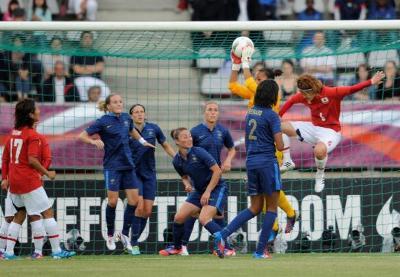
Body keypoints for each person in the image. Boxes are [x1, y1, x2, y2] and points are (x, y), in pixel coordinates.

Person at [229, 46, 298, 234]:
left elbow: (250, 81)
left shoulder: (274, 93)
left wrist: (244, 62)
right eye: (256, 78)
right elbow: (233, 86)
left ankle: (276, 228)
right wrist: (236, 66)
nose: (256, 80)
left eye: (260, 78)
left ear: (268, 81)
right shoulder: (255, 94)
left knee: (270, 190)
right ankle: (284, 220)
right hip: (256, 145)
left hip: (269, 144)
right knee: (268, 190)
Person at [279, 72, 385, 192]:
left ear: (312, 89)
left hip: (331, 132)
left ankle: (320, 174)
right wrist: (279, 115)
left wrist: (370, 82)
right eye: (302, 93)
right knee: (278, 126)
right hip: (313, 128)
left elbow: (352, 89)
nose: (303, 96)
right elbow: (290, 101)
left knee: (319, 151)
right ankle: (287, 161)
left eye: (305, 93)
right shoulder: (303, 96)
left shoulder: (331, 92)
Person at [214, 79, 284, 259]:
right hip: (268, 162)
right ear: (273, 95)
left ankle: (222, 234)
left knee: (254, 207)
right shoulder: (272, 115)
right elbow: (280, 145)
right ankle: (260, 251)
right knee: (271, 209)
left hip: (251, 162)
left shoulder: (251, 112)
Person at [1, 99, 75, 259]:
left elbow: (5, 158)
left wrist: (4, 177)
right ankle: (57, 252)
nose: (39, 111)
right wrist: (47, 173)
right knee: (47, 212)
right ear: (30, 114)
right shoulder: (32, 135)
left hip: (14, 181)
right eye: (36, 109)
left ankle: (8, 252)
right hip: (28, 180)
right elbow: (32, 160)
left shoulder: (14, 133)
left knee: (19, 215)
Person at [78, 94, 154, 251]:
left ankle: (124, 234)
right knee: (112, 202)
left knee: (134, 201)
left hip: (129, 166)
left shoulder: (126, 118)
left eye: (120, 101)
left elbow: (132, 131)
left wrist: (142, 141)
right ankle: (111, 235)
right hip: (112, 166)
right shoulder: (103, 121)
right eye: (115, 102)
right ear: (108, 106)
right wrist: (94, 141)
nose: (119, 104)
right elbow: (82, 135)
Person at [159, 128, 227, 256]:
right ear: (177, 141)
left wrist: (207, 192)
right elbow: (184, 176)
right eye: (184, 137)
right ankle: (178, 248)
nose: (189, 139)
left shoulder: (199, 152)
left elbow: (217, 171)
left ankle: (227, 247)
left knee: (204, 218)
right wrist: (187, 184)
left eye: (189, 136)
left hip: (216, 188)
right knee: (178, 218)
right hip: (199, 191)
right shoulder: (177, 161)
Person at [119, 104, 175, 255]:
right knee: (139, 205)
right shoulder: (127, 130)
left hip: (149, 173)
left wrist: (177, 158)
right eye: (136, 112)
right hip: (133, 173)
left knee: (147, 211)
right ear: (131, 116)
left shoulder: (153, 128)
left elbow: (165, 145)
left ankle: (131, 242)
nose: (139, 114)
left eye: (141, 111)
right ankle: (134, 244)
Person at [181, 101, 236, 256]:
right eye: (209, 110)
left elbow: (232, 149)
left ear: (218, 113)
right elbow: (188, 152)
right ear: (204, 113)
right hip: (199, 180)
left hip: (215, 179)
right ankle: (183, 246)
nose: (212, 112)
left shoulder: (223, 131)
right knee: (193, 212)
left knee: (217, 214)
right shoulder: (196, 132)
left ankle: (221, 246)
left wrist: (228, 160)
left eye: (215, 110)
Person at [0, 122, 52, 259]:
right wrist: (5, 177)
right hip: (22, 181)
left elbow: (47, 158)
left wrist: (39, 175)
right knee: (12, 217)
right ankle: (5, 251)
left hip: (25, 181)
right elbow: (6, 158)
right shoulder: (18, 136)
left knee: (28, 215)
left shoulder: (38, 138)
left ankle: (13, 252)